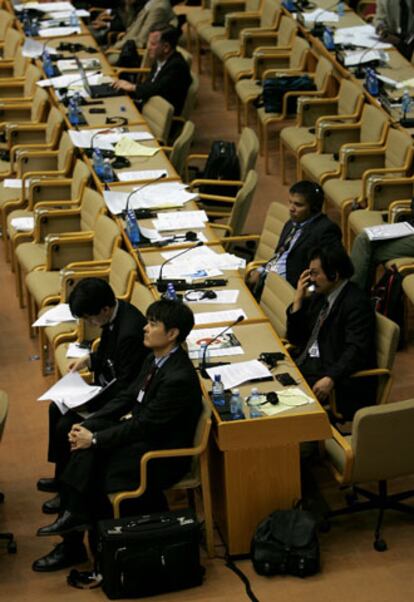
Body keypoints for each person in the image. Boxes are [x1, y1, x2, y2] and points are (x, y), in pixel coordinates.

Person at [33, 299, 202, 572]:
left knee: (96, 468)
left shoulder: (177, 378)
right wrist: (93, 424)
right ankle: (75, 527)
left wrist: (96, 438)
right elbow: (127, 397)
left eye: (152, 324)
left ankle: (86, 542)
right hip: (143, 438)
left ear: (172, 334)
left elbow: (143, 425)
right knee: (84, 446)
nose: (144, 329)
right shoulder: (154, 357)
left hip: (161, 455)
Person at [37, 279, 148, 517]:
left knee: (69, 424)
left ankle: (68, 493)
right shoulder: (113, 316)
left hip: (120, 399)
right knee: (56, 408)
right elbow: (108, 355)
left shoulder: (130, 331)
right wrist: (88, 360)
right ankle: (60, 477)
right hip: (106, 388)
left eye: (89, 318)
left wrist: (91, 404)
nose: (89, 323)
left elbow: (126, 383)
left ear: (104, 310)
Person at [286, 245, 377, 421]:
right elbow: (296, 338)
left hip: (337, 383)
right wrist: (298, 301)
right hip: (311, 365)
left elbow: (356, 350)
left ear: (334, 275)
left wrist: (331, 378)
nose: (310, 279)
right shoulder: (321, 295)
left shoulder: (356, 304)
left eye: (314, 273)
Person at [247, 181, 342, 300]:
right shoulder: (292, 223)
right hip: (268, 282)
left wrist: (307, 292)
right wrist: (262, 269)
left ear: (314, 208)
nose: (291, 209)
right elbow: (279, 256)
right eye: (290, 202)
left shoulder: (326, 231)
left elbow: (329, 274)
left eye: (298, 205)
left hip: (288, 291)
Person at [112, 24, 192, 115]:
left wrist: (133, 87)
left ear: (166, 47)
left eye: (153, 44)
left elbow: (157, 89)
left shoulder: (177, 67)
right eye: (148, 42)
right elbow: (149, 84)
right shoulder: (160, 59)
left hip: (158, 116)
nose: (148, 47)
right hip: (148, 106)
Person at [106, 0, 176, 64]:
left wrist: (116, 46)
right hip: (126, 45)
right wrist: (129, 6)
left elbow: (142, 41)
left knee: (101, 59)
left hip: (136, 53)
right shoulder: (152, 3)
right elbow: (130, 27)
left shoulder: (159, 9)